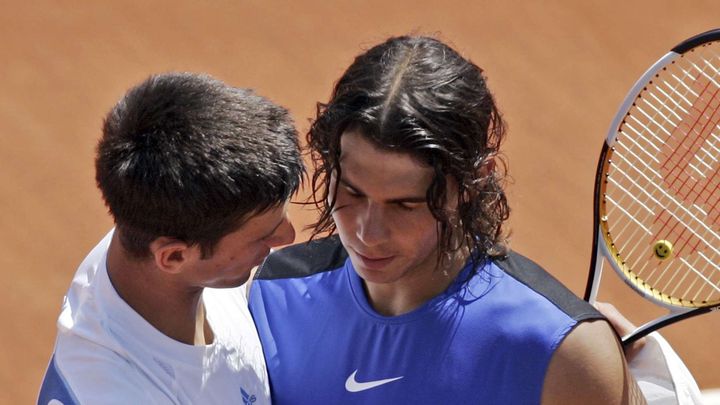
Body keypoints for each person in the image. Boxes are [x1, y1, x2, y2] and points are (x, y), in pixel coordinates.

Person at [248, 35, 647, 404]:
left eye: (405, 205)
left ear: (475, 181)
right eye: (352, 192)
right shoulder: (262, 298)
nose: (367, 233)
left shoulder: (565, 353)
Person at [38, 72, 304, 404]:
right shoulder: (115, 392)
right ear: (174, 257)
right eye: (262, 236)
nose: (288, 237)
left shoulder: (159, 224)